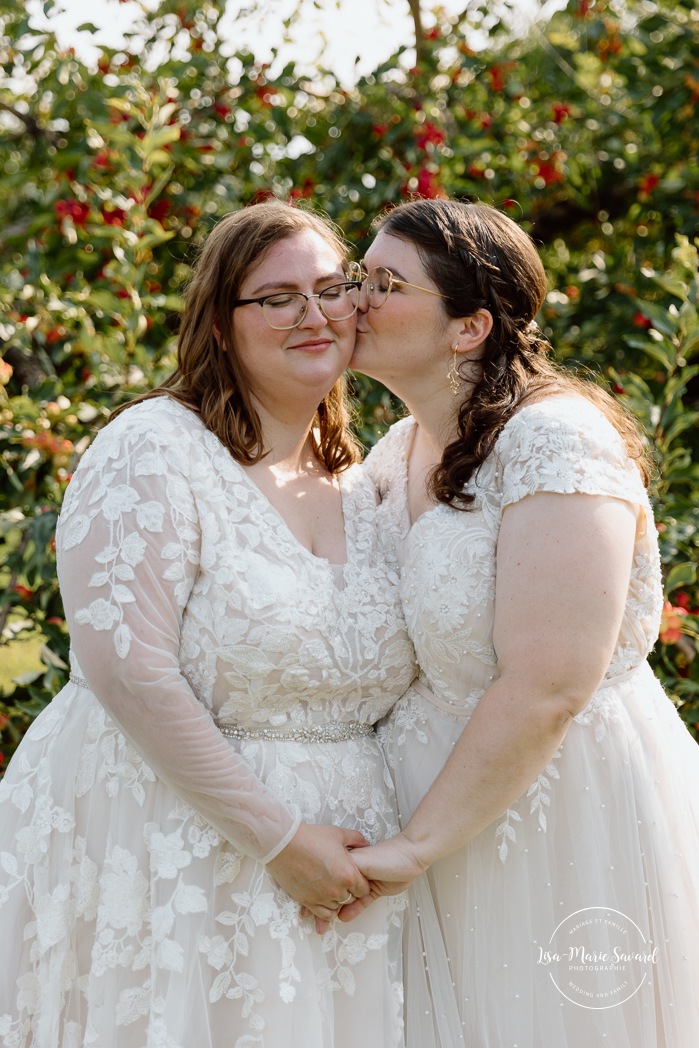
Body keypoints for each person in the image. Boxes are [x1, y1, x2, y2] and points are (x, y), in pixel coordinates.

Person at [0, 200, 416, 1048]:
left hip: (347, 883)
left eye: (331, 288)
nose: (312, 314)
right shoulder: (154, 450)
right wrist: (278, 840)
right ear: (220, 326)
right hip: (174, 854)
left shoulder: (367, 483)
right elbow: (128, 672)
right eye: (275, 297)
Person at [342, 198, 699, 1047]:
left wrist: (412, 848)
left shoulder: (557, 442)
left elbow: (548, 684)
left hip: (555, 814)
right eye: (359, 275)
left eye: (384, 284)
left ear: (468, 326)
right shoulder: (396, 449)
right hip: (423, 808)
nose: (350, 299)